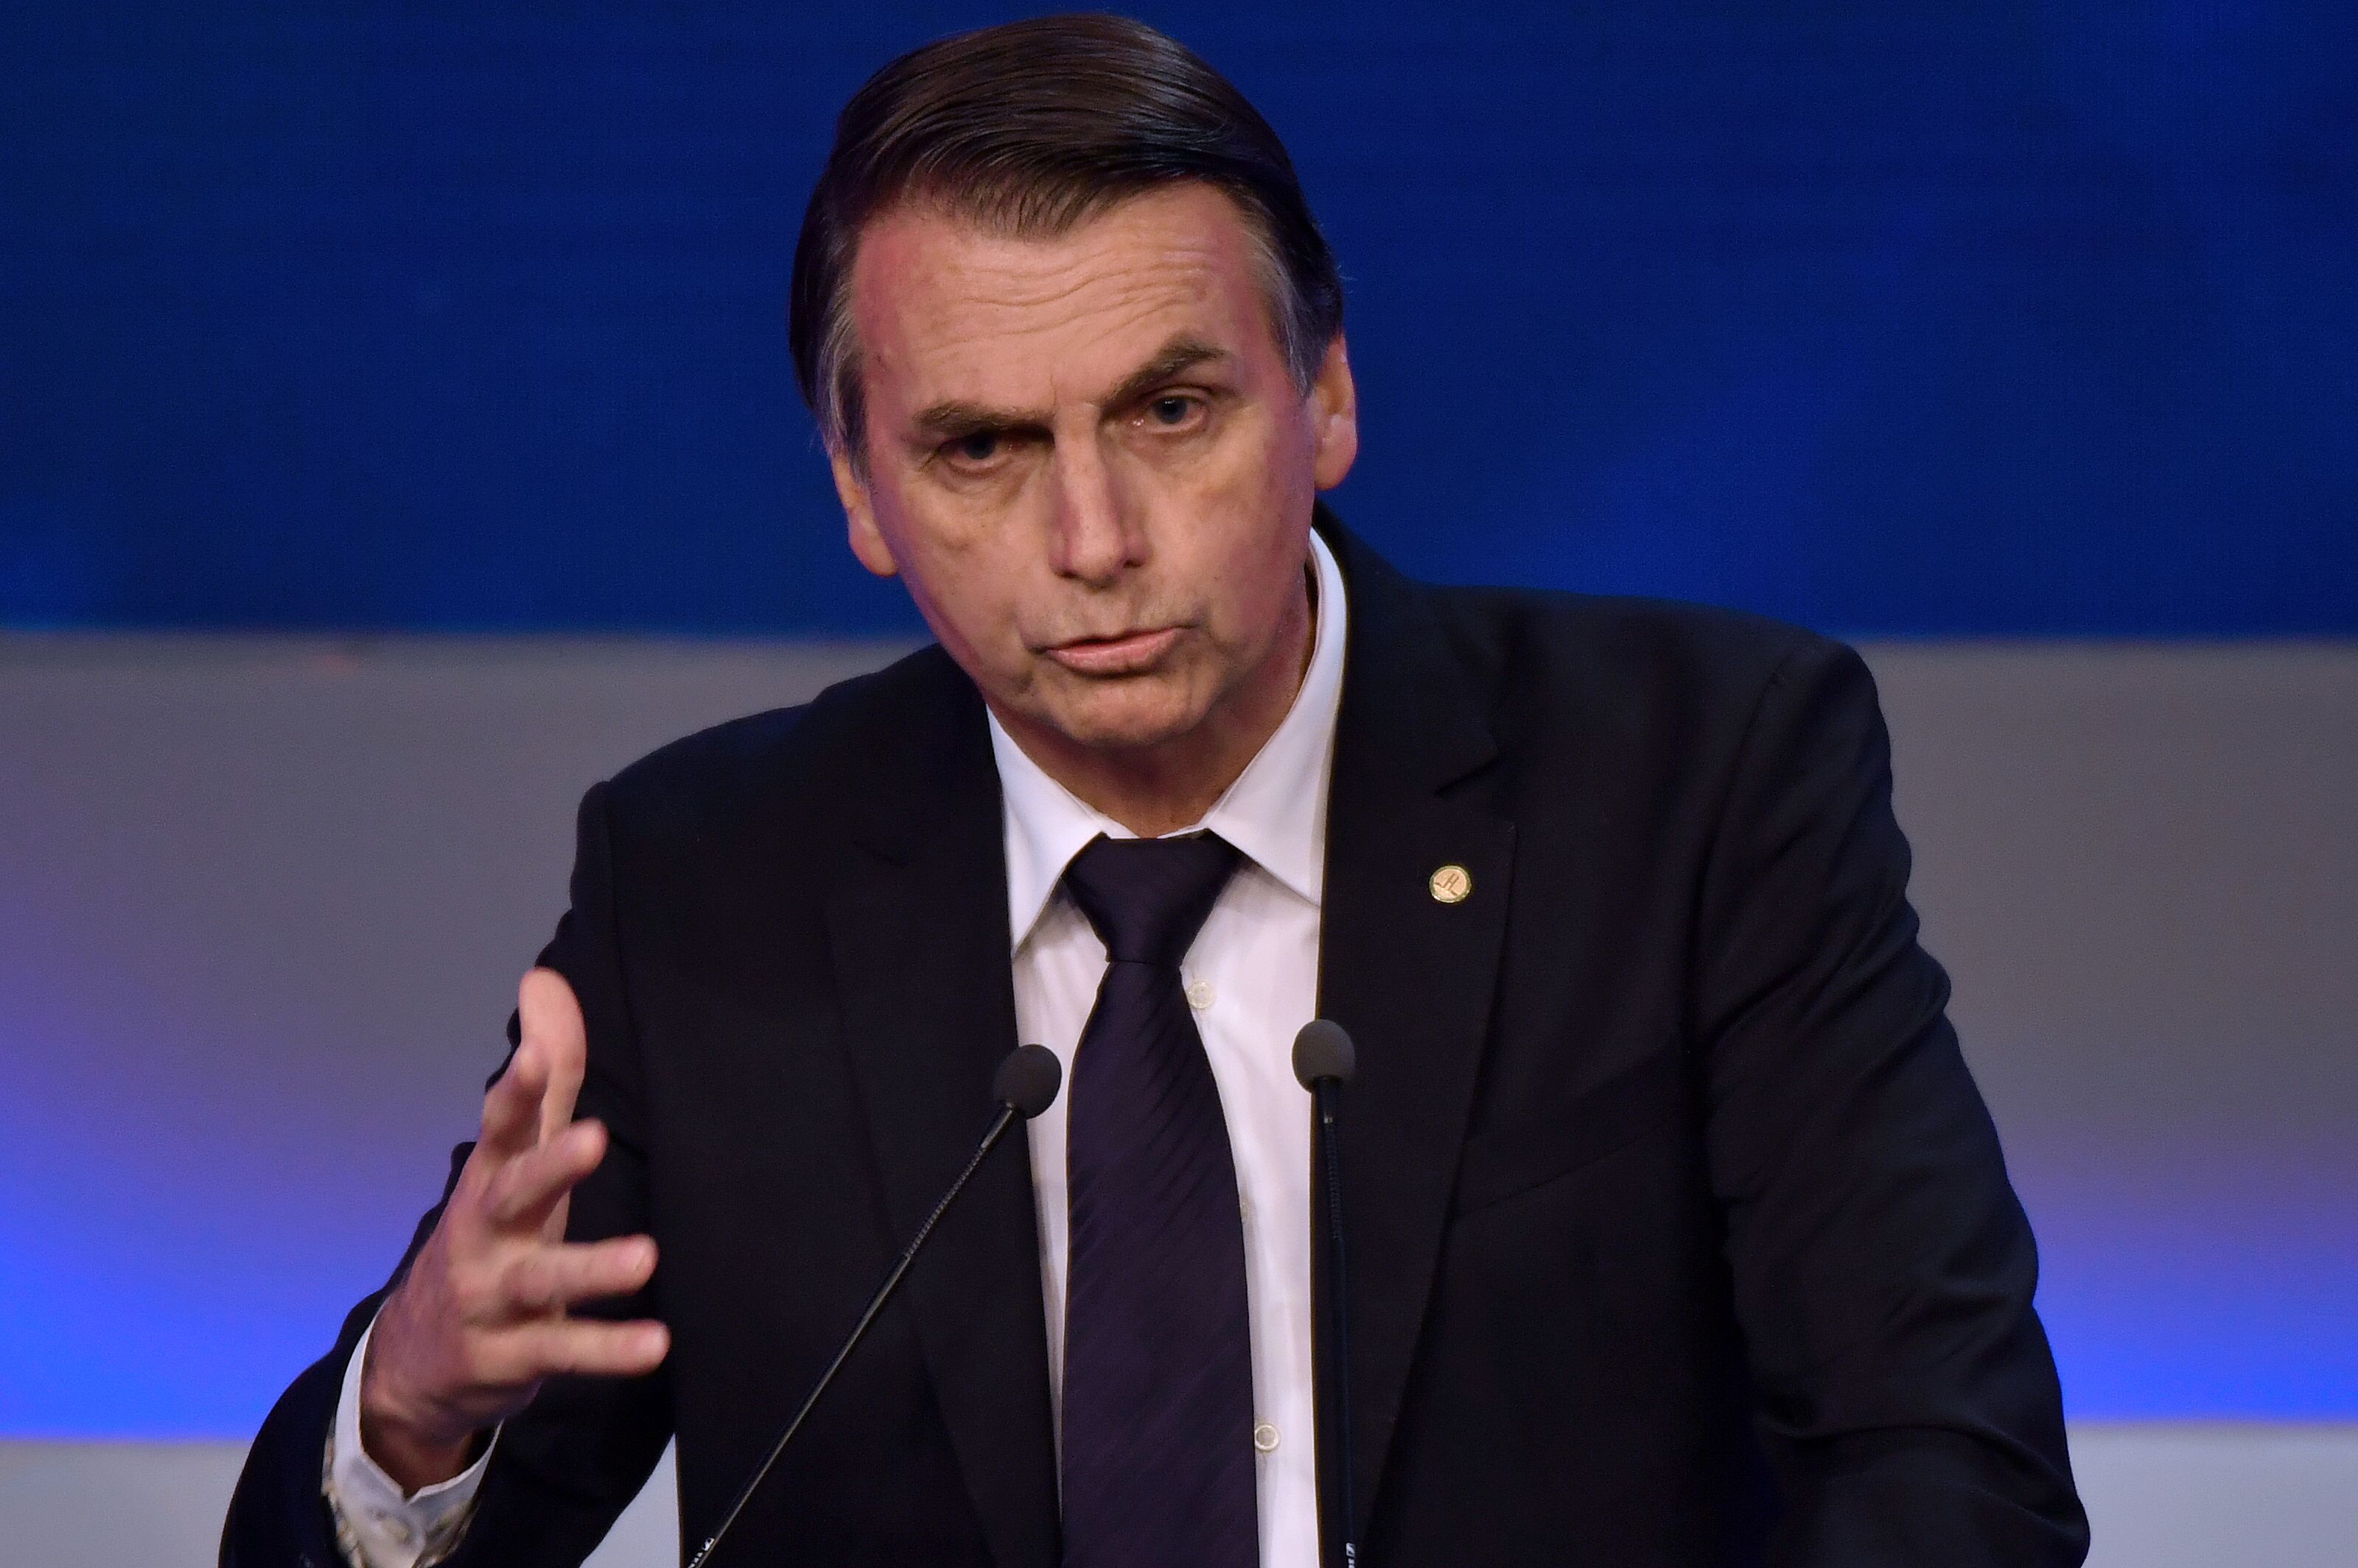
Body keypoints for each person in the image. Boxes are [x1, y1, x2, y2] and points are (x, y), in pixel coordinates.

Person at [223, 15, 2088, 1567]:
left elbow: (1946, 1459)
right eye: (979, 448)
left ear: (1326, 395)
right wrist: (410, 1404)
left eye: (1170, 411)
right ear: (862, 495)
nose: (1092, 539)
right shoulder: (709, 883)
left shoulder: (1695, 777)